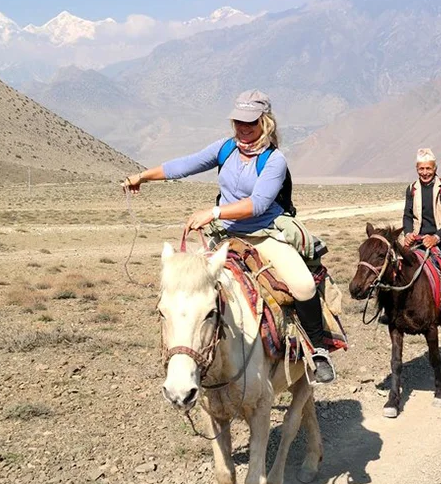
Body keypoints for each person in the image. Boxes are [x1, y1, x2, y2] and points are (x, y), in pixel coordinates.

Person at [122, 89, 335, 384]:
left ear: (265, 122)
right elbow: (184, 165)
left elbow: (257, 204)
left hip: (263, 233)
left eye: (251, 122)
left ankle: (318, 350)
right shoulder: (225, 149)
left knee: (303, 285)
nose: (243, 128)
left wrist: (214, 212)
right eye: (238, 122)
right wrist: (143, 176)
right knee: (190, 290)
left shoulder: (274, 160)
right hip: (226, 234)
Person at [399, 148, 441, 331]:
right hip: (419, 237)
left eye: (428, 168)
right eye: (421, 169)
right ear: (416, 169)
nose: (425, 172)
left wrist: (436, 237)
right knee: (398, 265)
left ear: (435, 168)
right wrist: (408, 233)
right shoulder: (412, 189)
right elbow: (407, 215)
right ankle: (394, 309)